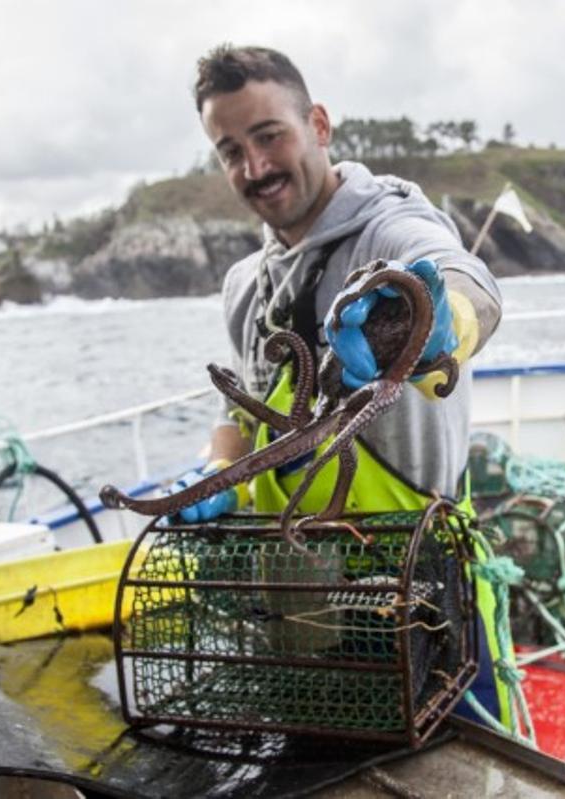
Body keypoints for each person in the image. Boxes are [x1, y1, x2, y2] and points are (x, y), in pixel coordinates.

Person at [174, 45, 512, 729]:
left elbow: (469, 282)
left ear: (319, 125)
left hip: (422, 583)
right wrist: (221, 470)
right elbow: (239, 401)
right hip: (301, 598)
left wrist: (434, 323)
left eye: (270, 136)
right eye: (231, 150)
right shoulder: (245, 285)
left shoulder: (387, 227)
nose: (256, 166)